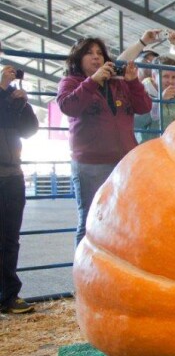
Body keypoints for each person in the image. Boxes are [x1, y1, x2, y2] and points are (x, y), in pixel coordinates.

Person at [57, 34, 153, 247]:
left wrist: (133, 82)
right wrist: (92, 82)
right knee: (90, 220)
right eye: (89, 53)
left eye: (99, 53)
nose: (96, 57)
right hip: (90, 164)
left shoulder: (119, 83)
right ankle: (84, 275)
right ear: (78, 59)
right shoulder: (70, 82)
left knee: (125, 218)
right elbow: (68, 106)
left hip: (124, 162)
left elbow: (144, 107)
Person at [0, 59, 39, 314]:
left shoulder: (10, 99)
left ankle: (9, 295)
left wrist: (22, 104)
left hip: (12, 173)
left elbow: (30, 130)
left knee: (10, 239)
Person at [135, 56, 175, 142]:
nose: (170, 81)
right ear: (154, 76)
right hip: (149, 150)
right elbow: (136, 123)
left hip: (174, 148)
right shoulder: (141, 94)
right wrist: (160, 100)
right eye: (165, 76)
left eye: (173, 77)